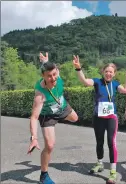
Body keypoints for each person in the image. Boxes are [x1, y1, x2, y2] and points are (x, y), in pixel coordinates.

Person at [73, 55, 126, 184]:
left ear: (114, 74)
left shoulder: (115, 84)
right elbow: (84, 81)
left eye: (111, 72)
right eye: (106, 71)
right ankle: (99, 163)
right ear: (103, 72)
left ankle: (112, 171)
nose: (108, 74)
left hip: (111, 118)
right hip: (98, 117)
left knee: (111, 142)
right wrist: (78, 69)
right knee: (99, 142)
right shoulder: (97, 82)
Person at [27, 52, 78, 184]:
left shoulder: (56, 75)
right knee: (49, 145)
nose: (53, 78)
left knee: (75, 118)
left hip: (62, 107)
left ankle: (59, 119)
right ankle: (44, 176)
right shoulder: (40, 94)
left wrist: (45, 61)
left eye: (55, 74)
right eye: (49, 76)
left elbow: (51, 69)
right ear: (43, 76)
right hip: (47, 115)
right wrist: (33, 138)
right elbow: (33, 117)